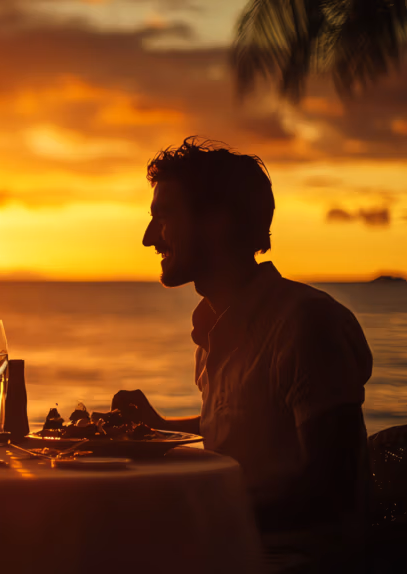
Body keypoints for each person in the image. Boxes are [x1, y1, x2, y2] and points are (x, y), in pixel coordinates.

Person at [118, 137, 372, 572]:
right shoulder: (214, 328)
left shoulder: (304, 323)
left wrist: (194, 514)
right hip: (233, 547)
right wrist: (157, 428)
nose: (148, 238)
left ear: (216, 221)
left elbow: (334, 486)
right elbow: (253, 421)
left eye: (163, 216)